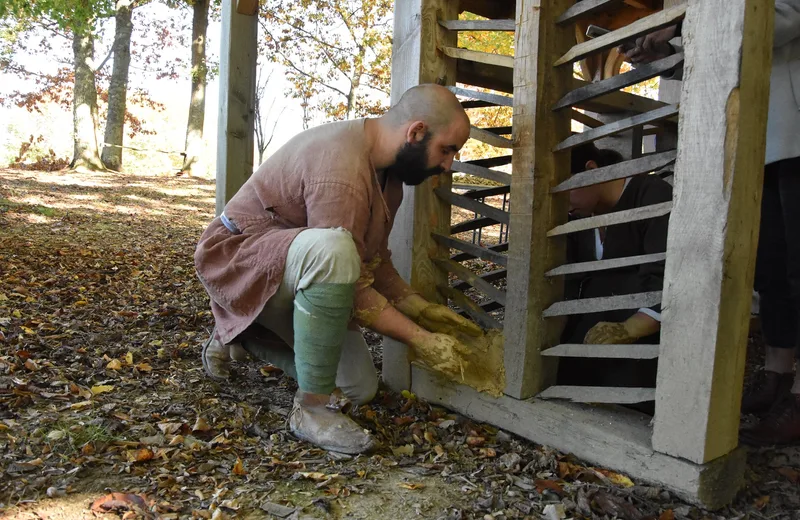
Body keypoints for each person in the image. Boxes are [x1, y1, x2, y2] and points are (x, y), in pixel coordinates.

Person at [193, 84, 481, 454]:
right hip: (234, 260)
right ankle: (311, 409)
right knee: (333, 249)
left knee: (358, 389)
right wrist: (420, 340)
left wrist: (425, 311)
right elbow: (349, 279)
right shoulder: (341, 169)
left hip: (288, 270)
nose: (448, 165)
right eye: (448, 150)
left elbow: (374, 262)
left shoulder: (390, 178)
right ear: (417, 132)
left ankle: (243, 332)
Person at [622, 1, 800, 445]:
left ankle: (799, 395)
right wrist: (672, 41)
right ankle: (777, 374)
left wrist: (683, 26)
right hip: (758, 132)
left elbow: (781, 19)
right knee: (771, 265)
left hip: (795, 127)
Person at [557, 142, 672, 391]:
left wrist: (629, 329)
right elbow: (568, 277)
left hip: (642, 333)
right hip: (588, 330)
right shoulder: (577, 214)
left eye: (565, 192)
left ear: (591, 170)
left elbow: (667, 276)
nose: (563, 206)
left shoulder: (652, 195)